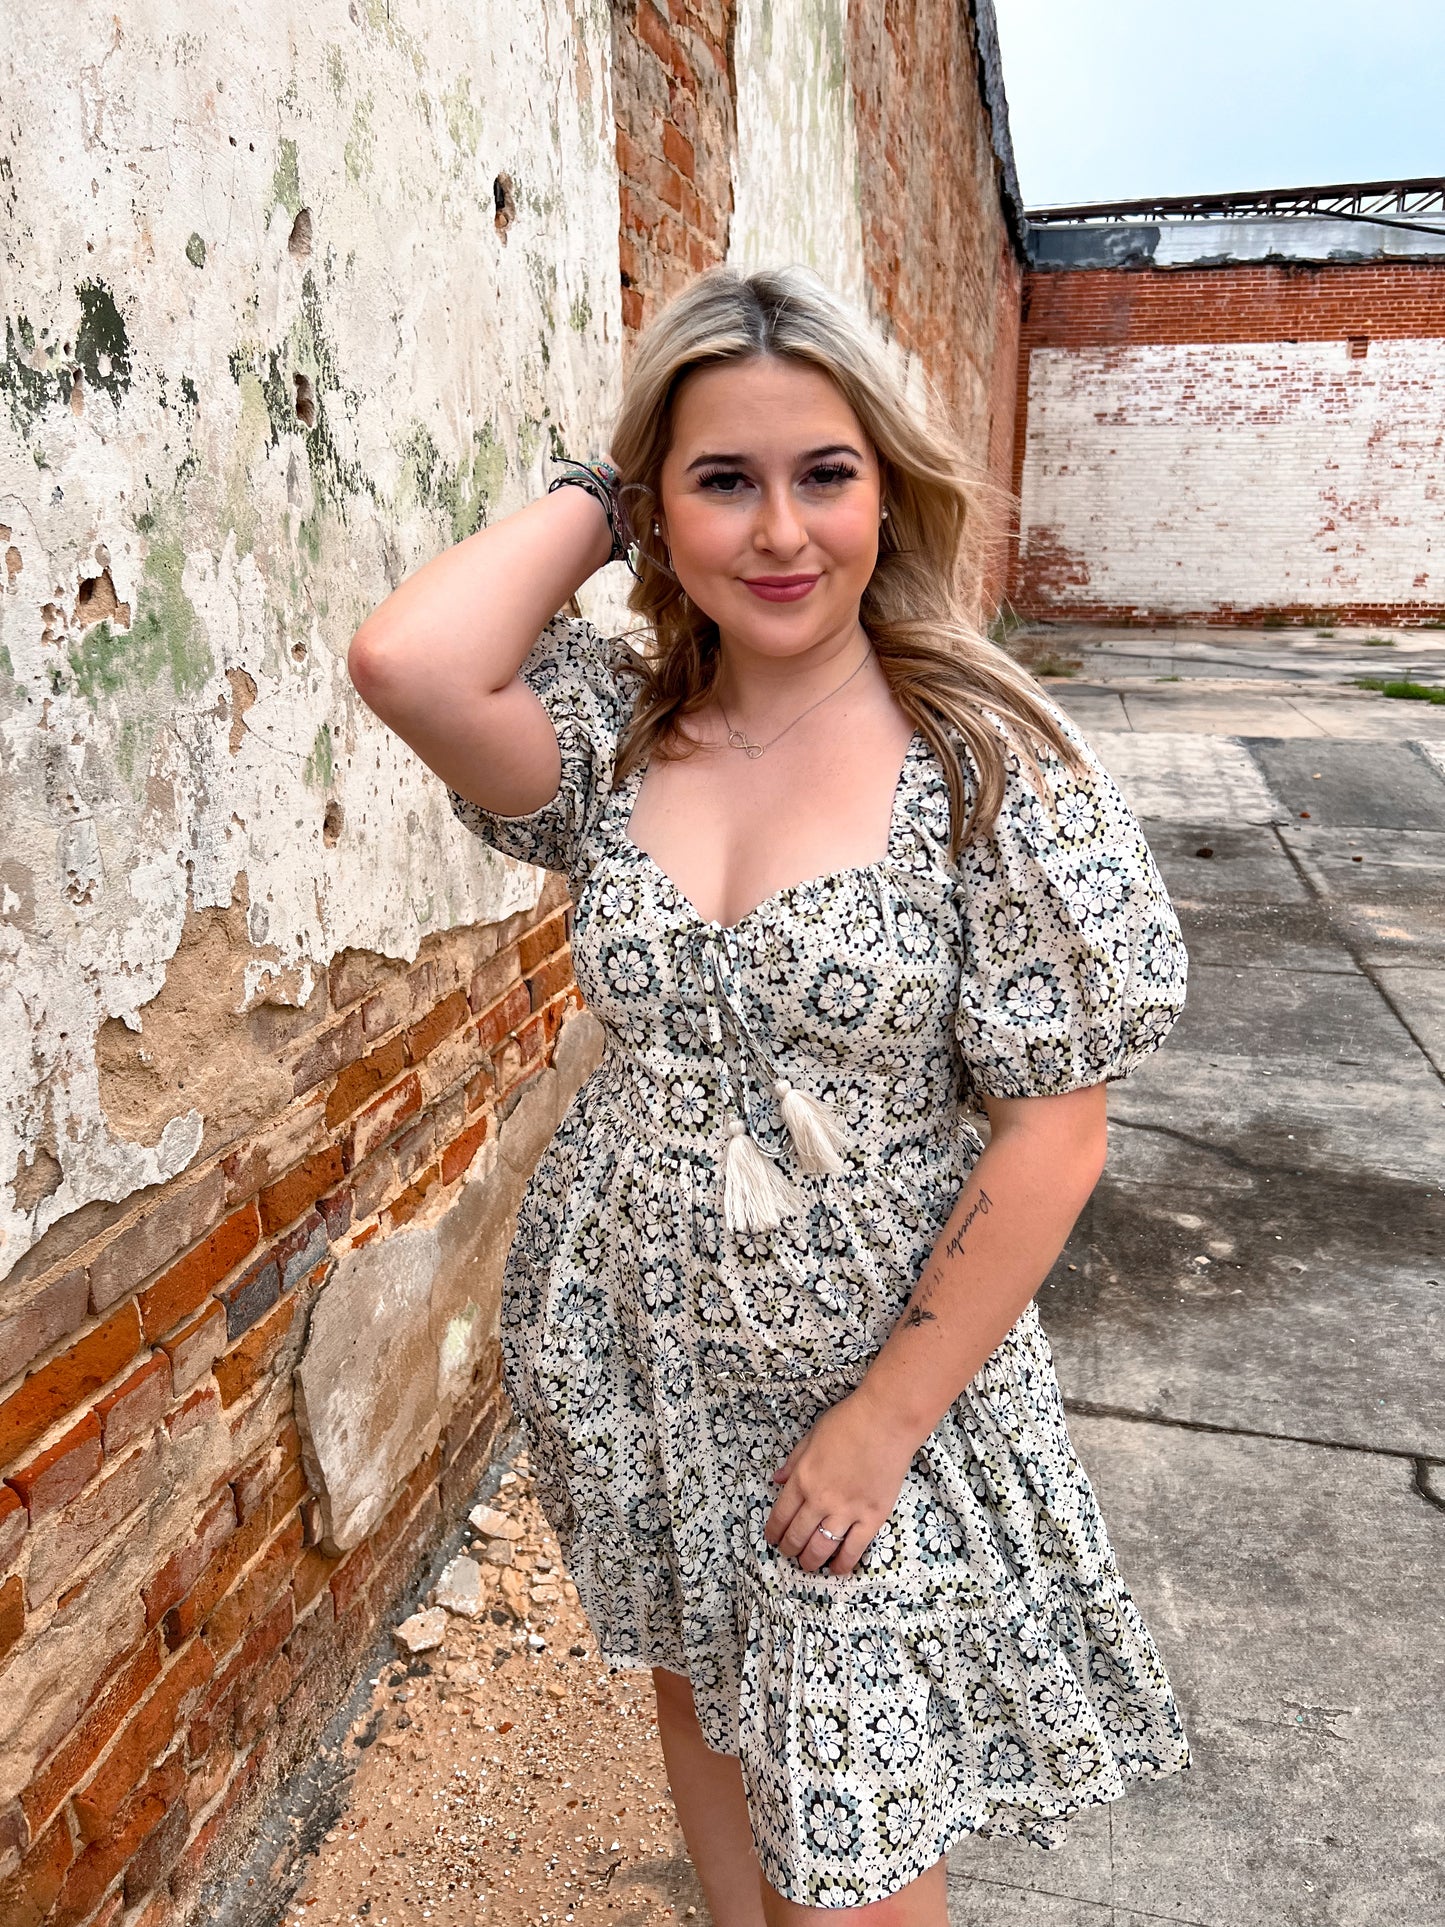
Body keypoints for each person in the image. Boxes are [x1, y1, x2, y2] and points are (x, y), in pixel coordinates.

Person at [347, 263, 1192, 1924]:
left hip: (867, 1380)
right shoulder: (619, 736)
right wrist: (601, 498)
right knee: (716, 1725)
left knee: (855, 1838)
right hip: (637, 1354)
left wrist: (880, 1431)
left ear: (888, 491)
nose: (782, 531)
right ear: (659, 514)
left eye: (825, 474)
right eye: (723, 481)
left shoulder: (987, 763)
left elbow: (1056, 1129)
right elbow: (409, 664)